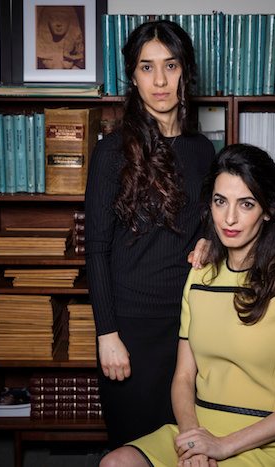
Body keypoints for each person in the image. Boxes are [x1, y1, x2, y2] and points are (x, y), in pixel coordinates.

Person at [100, 144, 275, 467]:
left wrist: (223, 447)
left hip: (268, 441)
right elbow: (183, 377)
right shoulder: (199, 277)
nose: (230, 218)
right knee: (116, 463)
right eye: (220, 201)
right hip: (201, 429)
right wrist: (194, 439)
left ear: (267, 210)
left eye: (246, 204)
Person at [85, 20, 216, 448]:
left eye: (171, 65)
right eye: (146, 67)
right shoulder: (111, 151)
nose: (160, 81)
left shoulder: (203, 150)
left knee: (189, 444)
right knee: (134, 447)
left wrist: (208, 241)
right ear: (133, 76)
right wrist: (107, 334)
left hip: (190, 324)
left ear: (186, 72)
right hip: (131, 329)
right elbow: (97, 249)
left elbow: (211, 225)